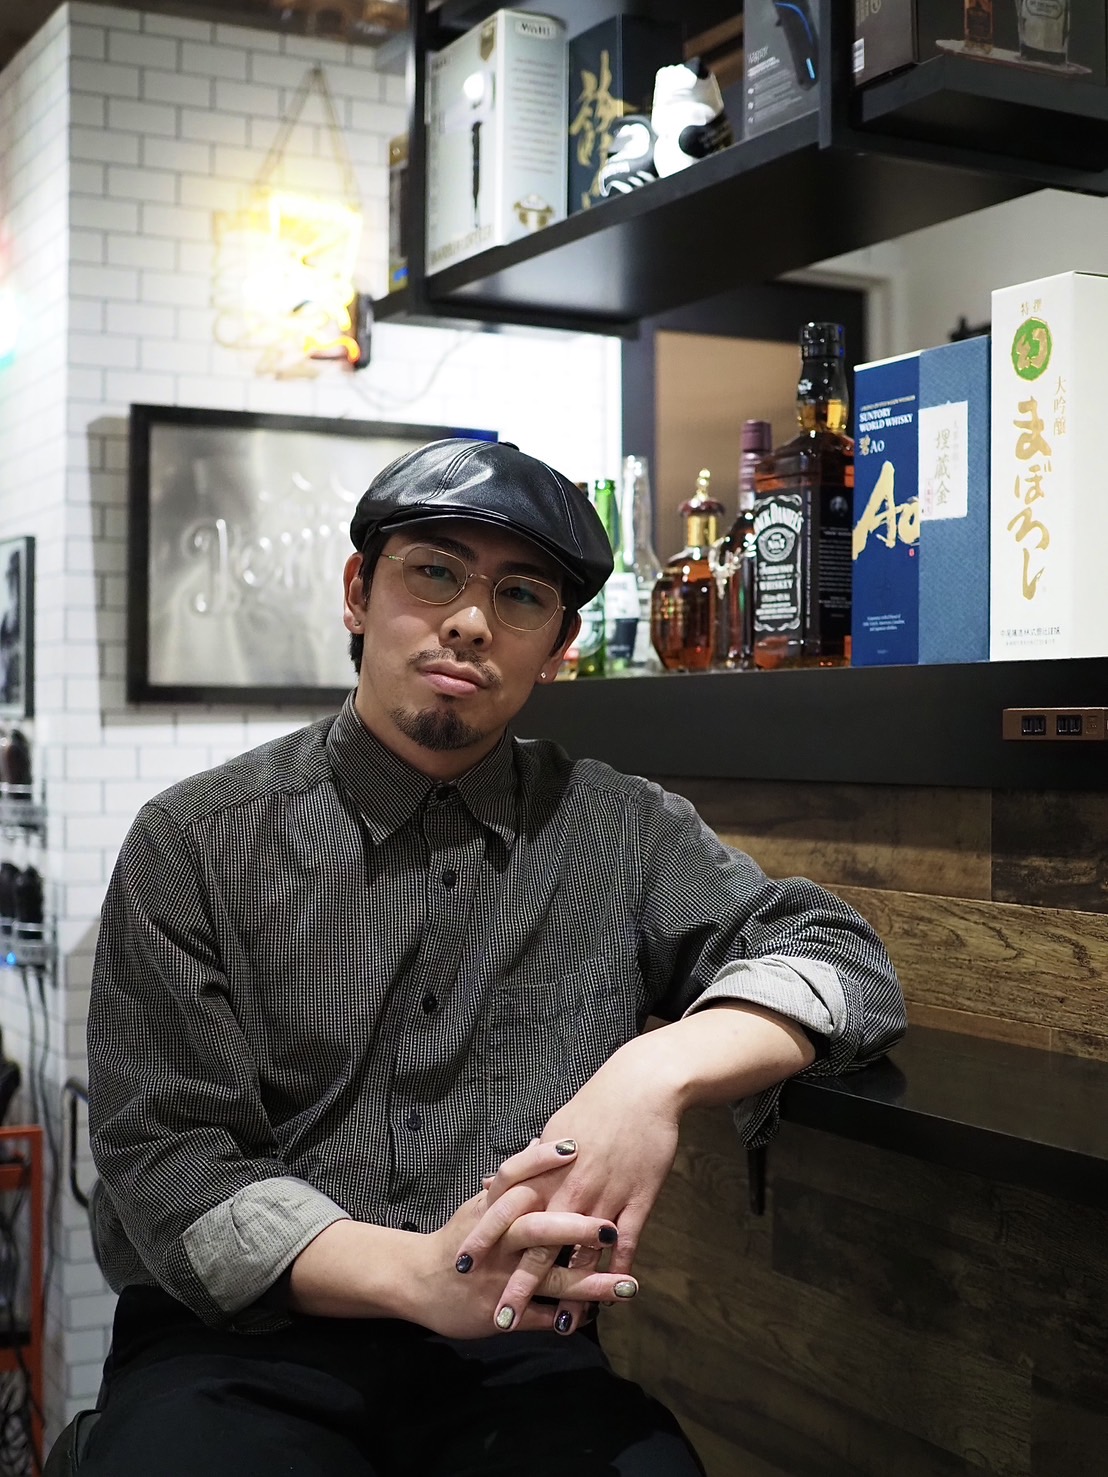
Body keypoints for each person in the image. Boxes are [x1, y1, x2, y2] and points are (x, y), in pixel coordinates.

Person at [82, 439, 905, 1476]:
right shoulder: (195, 840)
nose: (471, 621)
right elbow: (172, 1162)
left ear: (557, 647)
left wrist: (653, 1070)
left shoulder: (618, 830)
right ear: (359, 592)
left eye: (520, 596)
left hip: (514, 1351)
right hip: (235, 1346)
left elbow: (840, 957)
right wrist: (418, 1273)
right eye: (435, 572)